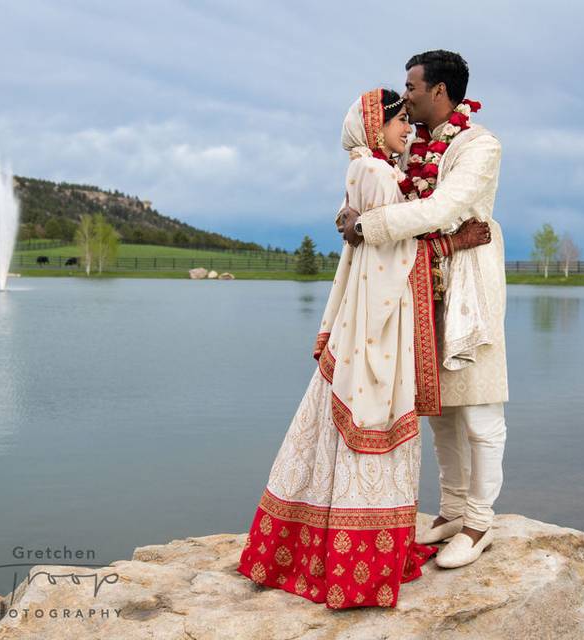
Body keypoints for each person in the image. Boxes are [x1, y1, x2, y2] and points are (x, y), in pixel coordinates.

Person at [236, 87, 492, 609]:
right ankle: (359, 563)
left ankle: (317, 543)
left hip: (370, 315)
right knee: (374, 417)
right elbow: (392, 250)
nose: (407, 129)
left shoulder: (368, 169)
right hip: (382, 318)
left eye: (408, 116)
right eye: (399, 121)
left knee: (334, 428)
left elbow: (374, 232)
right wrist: (452, 242)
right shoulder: (376, 172)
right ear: (375, 129)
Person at [338, 50, 509, 570]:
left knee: (479, 410)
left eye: (411, 86)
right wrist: (352, 210)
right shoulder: (410, 144)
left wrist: (368, 227)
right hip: (416, 288)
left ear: (440, 91)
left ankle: (481, 521)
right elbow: (376, 187)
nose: (403, 94)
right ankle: (453, 510)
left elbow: (444, 209)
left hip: (465, 293)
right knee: (439, 412)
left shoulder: (480, 146)